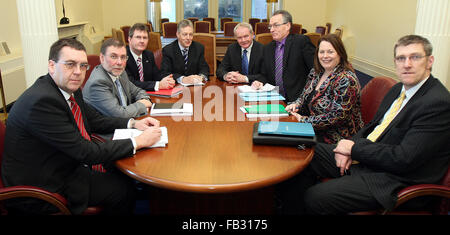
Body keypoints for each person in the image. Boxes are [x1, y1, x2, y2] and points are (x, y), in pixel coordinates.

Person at [275, 35, 450, 214]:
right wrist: (348, 145)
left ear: (430, 61)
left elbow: (404, 159)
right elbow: (371, 127)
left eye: (415, 57)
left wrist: (354, 150)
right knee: (301, 150)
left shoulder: (437, 103)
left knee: (315, 196)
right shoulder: (398, 89)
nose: (407, 64)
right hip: (371, 159)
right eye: (401, 58)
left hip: (393, 179)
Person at [1, 38, 163, 215]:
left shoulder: (68, 88)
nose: (78, 72)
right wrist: (138, 142)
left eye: (83, 66)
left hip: (61, 162)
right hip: (42, 184)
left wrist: (133, 123)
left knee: (119, 173)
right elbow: (85, 152)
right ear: (51, 65)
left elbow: (96, 120)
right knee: (123, 190)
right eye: (70, 64)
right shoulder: (42, 102)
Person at [285, 34, 364, 144]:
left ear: (340, 53)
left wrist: (303, 120)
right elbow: (304, 96)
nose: (325, 56)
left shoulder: (346, 79)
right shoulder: (316, 72)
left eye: (330, 52)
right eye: (321, 52)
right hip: (313, 129)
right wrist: (296, 104)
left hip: (336, 138)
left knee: (290, 145)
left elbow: (336, 117)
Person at [251, 10, 315, 102]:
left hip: (298, 101)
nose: (271, 30)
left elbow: (315, 70)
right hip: (275, 99)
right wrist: (259, 82)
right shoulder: (268, 48)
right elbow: (265, 74)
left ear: (287, 26)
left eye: (276, 25)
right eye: (270, 26)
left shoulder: (300, 42)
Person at [83, 38, 153, 118]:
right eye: (113, 57)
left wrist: (145, 99)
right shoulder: (98, 82)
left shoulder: (121, 72)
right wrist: (142, 105)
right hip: (108, 129)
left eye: (123, 57)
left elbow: (137, 91)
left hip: (126, 123)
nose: (119, 62)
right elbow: (120, 114)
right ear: (102, 58)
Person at [125, 23, 175, 91]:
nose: (142, 41)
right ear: (129, 39)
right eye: (138, 37)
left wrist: (166, 80)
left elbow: (157, 75)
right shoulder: (123, 57)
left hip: (149, 95)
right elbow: (130, 84)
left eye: (145, 38)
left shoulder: (148, 55)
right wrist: (158, 85)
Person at [161, 19, 209, 85]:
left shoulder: (199, 48)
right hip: (176, 87)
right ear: (178, 34)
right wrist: (182, 79)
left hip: (195, 87)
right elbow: (165, 73)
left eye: (191, 34)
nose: (188, 38)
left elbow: (204, 68)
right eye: (185, 34)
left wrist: (201, 77)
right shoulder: (168, 50)